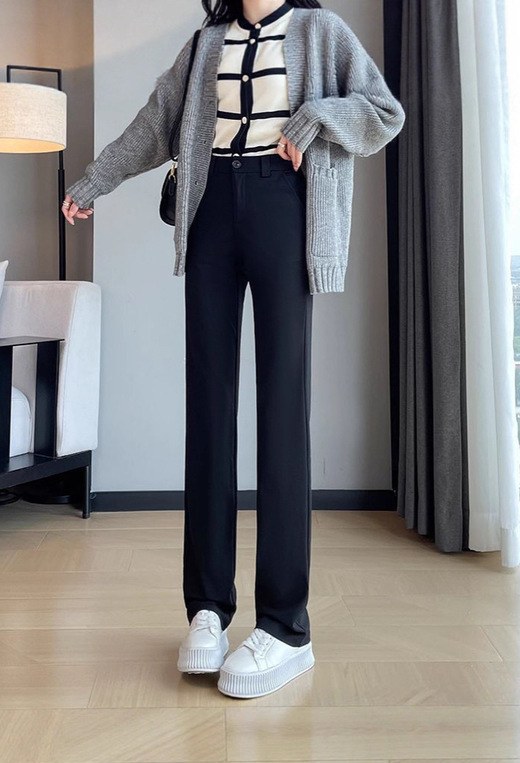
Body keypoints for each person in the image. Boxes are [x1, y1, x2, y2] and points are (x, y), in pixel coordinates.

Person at [62, 0, 406, 699]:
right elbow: (155, 125)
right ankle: (208, 609)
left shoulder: (320, 31)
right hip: (211, 208)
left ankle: (286, 626)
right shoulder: (205, 44)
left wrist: (315, 118)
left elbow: (382, 111)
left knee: (282, 412)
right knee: (209, 410)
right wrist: (95, 180)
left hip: (286, 205)